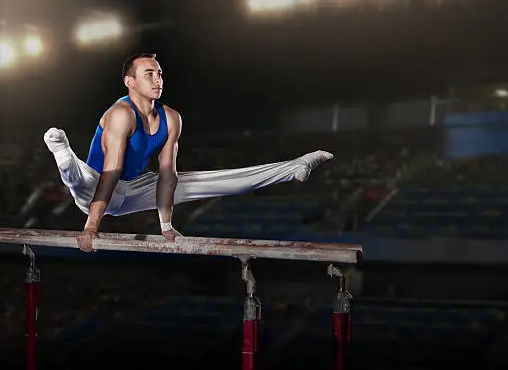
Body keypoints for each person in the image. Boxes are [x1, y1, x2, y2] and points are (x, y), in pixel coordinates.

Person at [44, 53, 334, 252]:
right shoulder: (121, 114)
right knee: (80, 179)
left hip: (130, 188)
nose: (157, 80)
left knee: (195, 180)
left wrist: (166, 226)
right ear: (129, 82)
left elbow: (168, 177)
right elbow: (110, 173)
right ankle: (64, 154)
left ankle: (293, 168)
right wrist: (91, 227)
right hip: (98, 185)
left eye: (159, 73)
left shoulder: (171, 118)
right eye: (149, 74)